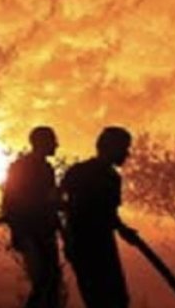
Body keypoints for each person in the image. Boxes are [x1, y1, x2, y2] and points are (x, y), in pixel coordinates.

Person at [60, 127, 140, 308]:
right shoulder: (82, 172)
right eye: (124, 148)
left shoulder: (111, 177)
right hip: (85, 244)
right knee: (101, 299)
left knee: (116, 300)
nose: (127, 154)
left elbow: (109, 214)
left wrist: (122, 229)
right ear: (111, 148)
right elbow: (60, 201)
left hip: (102, 243)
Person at [1, 126, 65, 308]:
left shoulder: (46, 168)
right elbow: (10, 203)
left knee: (51, 282)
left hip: (45, 234)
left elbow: (50, 202)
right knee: (44, 282)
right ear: (42, 143)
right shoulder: (21, 167)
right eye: (53, 141)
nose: (57, 145)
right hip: (31, 234)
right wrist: (22, 236)